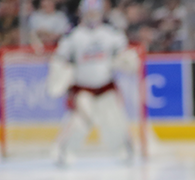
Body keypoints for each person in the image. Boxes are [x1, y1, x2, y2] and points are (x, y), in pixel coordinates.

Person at [47, 0, 139, 166]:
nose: (92, 16)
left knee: (115, 120)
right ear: (82, 13)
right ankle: (64, 151)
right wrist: (59, 75)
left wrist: (126, 60)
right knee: (81, 120)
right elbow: (60, 59)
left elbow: (123, 54)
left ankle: (124, 150)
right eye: (89, 12)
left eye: (95, 12)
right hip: (83, 88)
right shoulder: (73, 36)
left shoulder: (111, 34)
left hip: (106, 86)